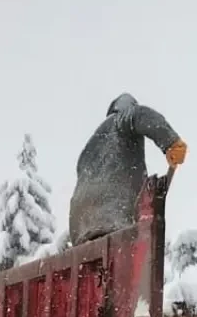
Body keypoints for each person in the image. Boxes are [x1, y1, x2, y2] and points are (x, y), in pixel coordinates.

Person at [68, 94, 187, 244]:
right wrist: (171, 142)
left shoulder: (89, 149)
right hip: (114, 216)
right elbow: (140, 115)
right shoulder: (121, 121)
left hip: (82, 229)